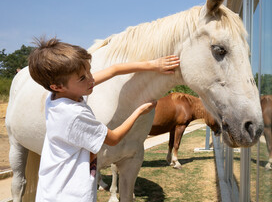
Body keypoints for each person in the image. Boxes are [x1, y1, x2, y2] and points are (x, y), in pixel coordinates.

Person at [28, 37, 180, 202]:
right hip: (69, 194)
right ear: (57, 86)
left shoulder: (60, 96)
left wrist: (153, 65)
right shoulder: (73, 115)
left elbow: (113, 70)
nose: (91, 79)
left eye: (89, 71)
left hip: (53, 189)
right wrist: (139, 112)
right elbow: (113, 138)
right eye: (82, 78)